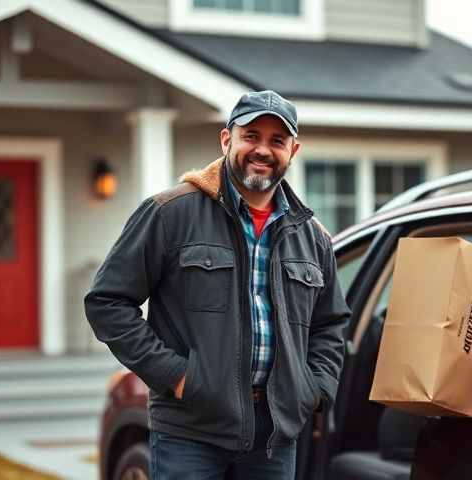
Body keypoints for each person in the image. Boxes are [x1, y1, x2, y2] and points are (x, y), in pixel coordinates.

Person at [84, 90, 351, 479]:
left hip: (274, 437)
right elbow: (107, 302)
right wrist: (176, 376)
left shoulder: (312, 237)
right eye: (251, 136)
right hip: (190, 432)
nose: (263, 149)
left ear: (293, 151)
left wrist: (312, 391)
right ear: (227, 139)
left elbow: (330, 324)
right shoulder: (170, 213)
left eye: (277, 141)